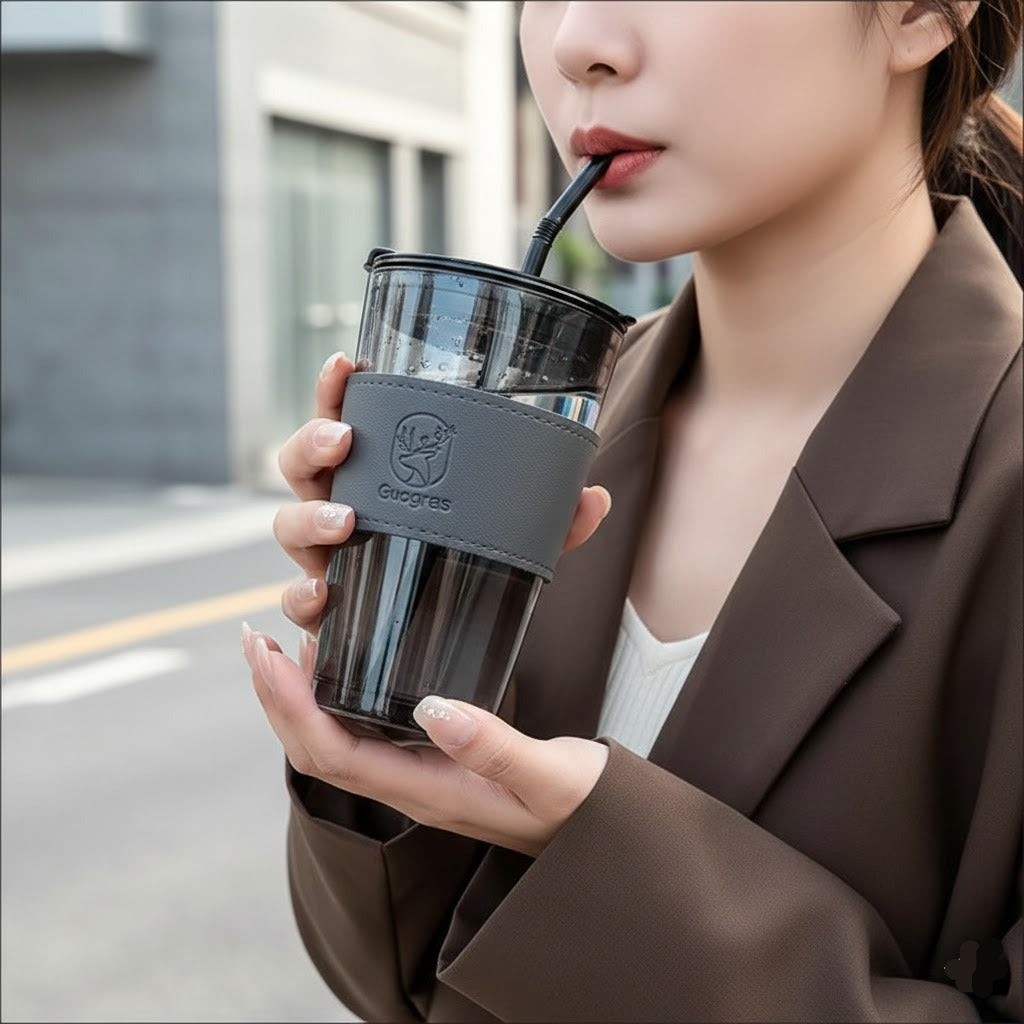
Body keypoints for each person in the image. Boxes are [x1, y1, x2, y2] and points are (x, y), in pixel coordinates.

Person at [241, 2, 1023, 1020]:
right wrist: (378, 740)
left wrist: (606, 849)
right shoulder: (545, 435)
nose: (576, 42)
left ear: (920, 14)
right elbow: (398, 984)